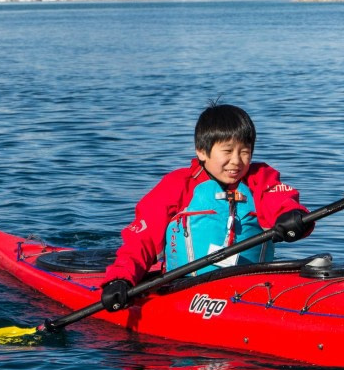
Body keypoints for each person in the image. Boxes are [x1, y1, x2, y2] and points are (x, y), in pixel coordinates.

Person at [100, 103, 312, 312]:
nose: (236, 161)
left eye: (245, 152)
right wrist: (120, 278)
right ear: (202, 151)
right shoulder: (177, 186)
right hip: (186, 288)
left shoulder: (261, 179)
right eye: (227, 151)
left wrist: (292, 216)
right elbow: (141, 240)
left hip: (254, 288)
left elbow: (281, 198)